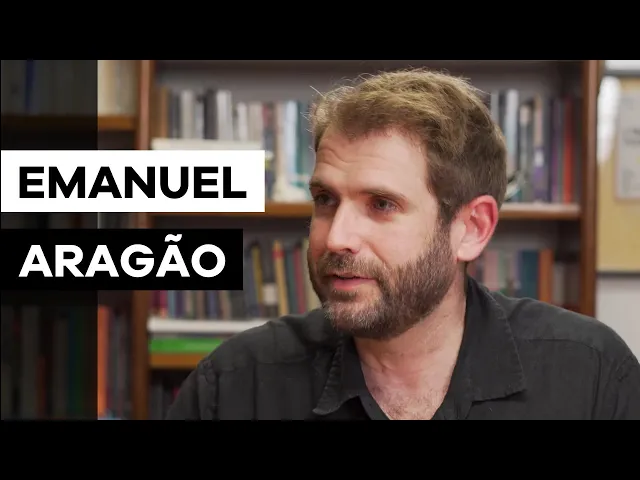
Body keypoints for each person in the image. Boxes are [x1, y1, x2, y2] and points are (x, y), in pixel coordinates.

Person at [166, 68, 640, 420]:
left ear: (472, 228)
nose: (336, 237)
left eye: (382, 204)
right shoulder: (233, 387)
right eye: (325, 200)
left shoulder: (591, 377)